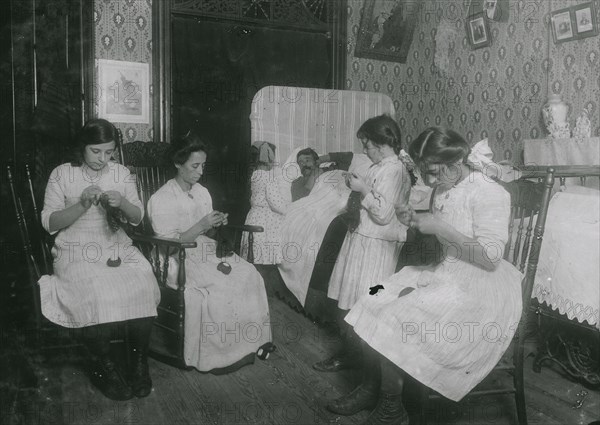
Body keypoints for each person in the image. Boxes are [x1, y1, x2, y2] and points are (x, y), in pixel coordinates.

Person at [329, 127, 523, 424]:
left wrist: (440, 228)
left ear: (457, 161)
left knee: (396, 314)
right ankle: (373, 388)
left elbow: (490, 258)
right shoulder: (445, 186)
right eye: (425, 173)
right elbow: (441, 226)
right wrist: (415, 219)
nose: (430, 181)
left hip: (480, 288)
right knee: (372, 294)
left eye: (433, 172)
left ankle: (391, 408)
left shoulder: (491, 193)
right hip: (446, 272)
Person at [38, 118, 160, 401]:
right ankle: (104, 366)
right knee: (96, 289)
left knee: (143, 278)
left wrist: (124, 203)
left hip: (115, 244)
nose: (103, 159)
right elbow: (49, 221)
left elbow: (138, 217)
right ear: (82, 148)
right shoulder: (62, 173)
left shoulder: (119, 173)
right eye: (96, 151)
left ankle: (139, 363)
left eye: (109, 152)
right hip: (74, 247)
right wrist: (81, 204)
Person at [147, 133, 272, 373]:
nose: (200, 171)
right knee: (221, 284)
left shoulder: (202, 192)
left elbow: (209, 234)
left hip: (202, 247)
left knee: (249, 274)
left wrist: (216, 224)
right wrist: (203, 225)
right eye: (195, 166)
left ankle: (252, 342)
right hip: (174, 257)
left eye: (203, 165)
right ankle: (222, 354)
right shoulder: (161, 199)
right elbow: (169, 245)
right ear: (177, 164)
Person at [313, 114, 412, 373]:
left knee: (367, 300)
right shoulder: (378, 167)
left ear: (381, 143)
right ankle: (351, 354)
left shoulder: (395, 170)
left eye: (367, 146)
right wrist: (358, 186)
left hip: (378, 245)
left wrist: (363, 189)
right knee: (353, 299)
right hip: (362, 239)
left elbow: (383, 214)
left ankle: (364, 362)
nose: (365, 151)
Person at [240, 141, 288, 264]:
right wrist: (287, 210)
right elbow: (275, 201)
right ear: (268, 158)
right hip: (265, 219)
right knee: (264, 253)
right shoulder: (267, 177)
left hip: (253, 216)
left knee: (253, 253)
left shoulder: (254, 175)